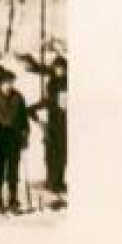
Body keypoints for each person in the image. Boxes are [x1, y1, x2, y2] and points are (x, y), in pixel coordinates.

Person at [0, 66, 31, 213]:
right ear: (0, 83)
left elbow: (24, 117)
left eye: (11, 82)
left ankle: (13, 197)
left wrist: (25, 134)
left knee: (13, 169)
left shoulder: (18, 97)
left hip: (14, 136)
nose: (9, 85)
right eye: (6, 82)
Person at [38, 57, 68, 200]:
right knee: (51, 153)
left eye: (62, 68)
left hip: (64, 122)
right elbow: (48, 100)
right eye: (57, 68)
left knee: (62, 153)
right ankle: (52, 181)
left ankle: (59, 181)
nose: (59, 70)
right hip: (52, 121)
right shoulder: (51, 82)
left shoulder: (68, 82)